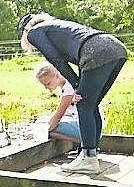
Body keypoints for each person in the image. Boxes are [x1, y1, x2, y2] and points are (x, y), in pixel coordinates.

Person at [19, 13, 127, 174]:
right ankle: (91, 154)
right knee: (91, 104)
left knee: (83, 103)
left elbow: (56, 60)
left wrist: (76, 85)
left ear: (25, 31)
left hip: (95, 51)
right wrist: (78, 83)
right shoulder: (58, 27)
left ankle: (89, 159)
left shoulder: (35, 32)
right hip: (116, 48)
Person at [33, 61, 105, 146]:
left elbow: (58, 116)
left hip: (88, 127)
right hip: (92, 124)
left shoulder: (68, 89)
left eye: (48, 83)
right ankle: (86, 141)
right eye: (44, 85)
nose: (46, 88)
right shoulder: (67, 85)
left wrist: (39, 132)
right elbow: (67, 112)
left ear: (57, 75)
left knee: (46, 127)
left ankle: (86, 141)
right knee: (42, 121)